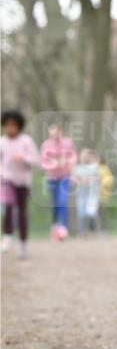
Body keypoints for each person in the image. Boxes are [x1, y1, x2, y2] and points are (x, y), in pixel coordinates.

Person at [1, 110, 39, 258]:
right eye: (7, 125)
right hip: (7, 179)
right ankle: (7, 236)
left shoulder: (26, 141)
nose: (10, 128)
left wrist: (23, 157)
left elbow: (35, 160)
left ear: (19, 126)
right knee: (8, 206)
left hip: (23, 181)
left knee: (22, 212)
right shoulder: (2, 142)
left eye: (13, 125)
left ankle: (23, 244)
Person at [39, 121, 77, 240]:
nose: (53, 135)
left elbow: (73, 157)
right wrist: (53, 164)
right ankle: (55, 227)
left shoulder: (68, 143)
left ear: (60, 131)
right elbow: (42, 163)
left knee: (62, 201)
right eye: (51, 132)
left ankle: (64, 228)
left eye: (55, 132)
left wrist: (69, 166)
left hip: (65, 177)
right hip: (52, 178)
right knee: (55, 204)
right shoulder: (46, 145)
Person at [73, 148, 100, 235]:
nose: (85, 157)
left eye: (87, 156)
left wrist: (90, 180)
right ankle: (81, 231)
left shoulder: (94, 167)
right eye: (83, 155)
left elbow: (98, 178)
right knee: (81, 213)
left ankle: (93, 227)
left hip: (92, 194)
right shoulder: (77, 168)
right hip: (81, 193)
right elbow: (73, 179)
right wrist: (80, 180)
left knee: (91, 212)